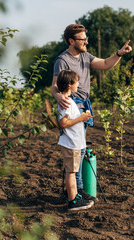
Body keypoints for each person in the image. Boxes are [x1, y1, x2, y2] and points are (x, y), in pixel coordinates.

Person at [51, 24, 132, 202]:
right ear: (72, 41)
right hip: (73, 105)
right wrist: (59, 98)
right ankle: (76, 191)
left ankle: (75, 191)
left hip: (83, 105)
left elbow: (105, 64)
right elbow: (55, 86)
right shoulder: (62, 60)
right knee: (75, 151)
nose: (86, 42)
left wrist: (119, 53)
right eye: (82, 39)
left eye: (86, 38)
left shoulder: (85, 56)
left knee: (79, 149)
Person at [56, 69, 94, 211]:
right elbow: (63, 123)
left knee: (72, 171)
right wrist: (81, 118)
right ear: (70, 84)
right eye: (76, 81)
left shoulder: (68, 101)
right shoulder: (65, 102)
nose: (78, 84)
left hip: (73, 143)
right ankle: (72, 201)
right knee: (71, 172)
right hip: (71, 144)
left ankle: (75, 196)